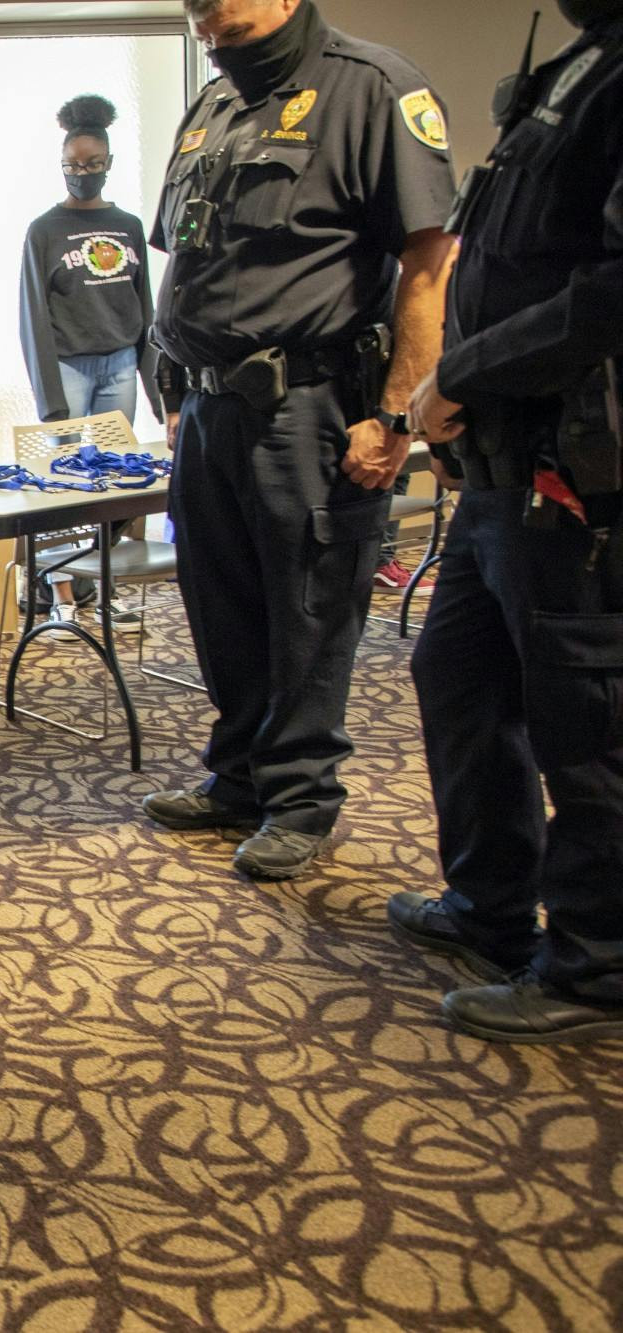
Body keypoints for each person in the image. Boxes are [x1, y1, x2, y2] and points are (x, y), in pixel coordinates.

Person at [139, 0, 457, 879]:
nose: (206, 10)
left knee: (309, 608)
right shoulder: (211, 106)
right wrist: (172, 388)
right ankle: (238, 773)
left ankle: (302, 797)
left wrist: (396, 417)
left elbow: (428, 263)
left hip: (309, 406)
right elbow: (186, 261)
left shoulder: (373, 88)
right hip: (208, 409)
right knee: (220, 600)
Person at [392, 0, 623, 1043]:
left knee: (587, 733)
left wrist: (459, 370)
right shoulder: (579, 67)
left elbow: (608, 295)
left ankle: (593, 967)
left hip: (575, 484)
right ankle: (488, 908)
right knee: (460, 684)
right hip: (498, 473)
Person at [17, 93, 162, 632]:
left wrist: (156, 387)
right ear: (62, 167)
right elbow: (33, 315)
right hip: (70, 369)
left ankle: (102, 590)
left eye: (93, 165)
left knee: (116, 486)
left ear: (108, 165)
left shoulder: (128, 225)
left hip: (120, 363)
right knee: (62, 483)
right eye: (74, 166)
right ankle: (60, 593)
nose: (84, 173)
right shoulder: (45, 230)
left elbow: (145, 307)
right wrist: (50, 397)